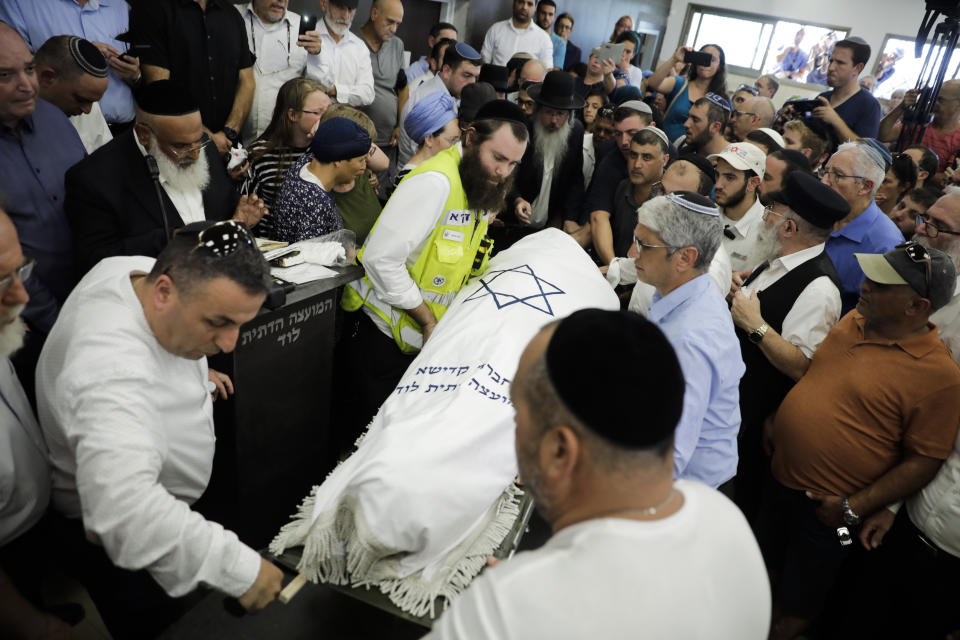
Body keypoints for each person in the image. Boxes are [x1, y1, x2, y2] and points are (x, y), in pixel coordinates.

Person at [425, 309, 771, 640]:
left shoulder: (503, 609)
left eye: (517, 414)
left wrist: (513, 605)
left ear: (560, 451)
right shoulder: (726, 519)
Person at [37, 220, 283, 638]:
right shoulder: (108, 365)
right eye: (218, 322)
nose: (229, 344)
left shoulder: (135, 271)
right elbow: (124, 510)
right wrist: (236, 567)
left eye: (240, 323)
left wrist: (193, 378)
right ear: (164, 291)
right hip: (122, 544)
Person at [760, 241, 960, 640]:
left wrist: (853, 509)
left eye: (883, 285)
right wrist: (781, 419)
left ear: (917, 307)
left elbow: (924, 460)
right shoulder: (854, 320)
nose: (865, 285)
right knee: (762, 572)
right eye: (871, 275)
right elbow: (825, 377)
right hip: (780, 482)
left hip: (829, 515)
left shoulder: (940, 377)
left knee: (800, 601)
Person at [339, 100, 528, 432]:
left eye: (513, 163)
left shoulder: (480, 186)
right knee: (359, 444)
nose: (503, 172)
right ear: (470, 138)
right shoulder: (434, 183)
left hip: (422, 347)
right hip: (380, 340)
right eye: (498, 158)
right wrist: (427, 320)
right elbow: (380, 259)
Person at [853, 192, 960, 639]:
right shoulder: (901, 276)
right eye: (922, 218)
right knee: (863, 599)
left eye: (936, 226)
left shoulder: (950, 317)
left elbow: (937, 433)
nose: (921, 230)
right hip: (900, 503)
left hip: (942, 537)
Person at [729, 172, 846, 522]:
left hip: (752, 422)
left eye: (771, 210)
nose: (764, 216)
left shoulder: (820, 288)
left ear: (789, 228)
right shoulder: (778, 257)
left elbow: (803, 368)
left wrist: (755, 326)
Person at [65, 80, 266, 276]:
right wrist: (175, 239)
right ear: (144, 135)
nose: (195, 155)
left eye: (198, 142)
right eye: (180, 146)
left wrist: (237, 221)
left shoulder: (204, 147)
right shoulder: (95, 179)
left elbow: (220, 212)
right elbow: (95, 262)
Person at [629, 192, 744, 489]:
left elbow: (668, 456)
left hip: (686, 494)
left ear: (685, 257)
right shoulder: (687, 290)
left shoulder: (690, 340)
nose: (632, 253)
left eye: (644, 245)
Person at [0, 209, 75, 640]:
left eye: (20, 271)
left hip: (30, 520)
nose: (22, 296)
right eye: (0, 281)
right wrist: (31, 624)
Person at [0, 22, 86, 337]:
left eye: (29, 68)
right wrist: (56, 324)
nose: (27, 85)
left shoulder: (54, 119)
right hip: (28, 326)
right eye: (5, 75)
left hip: (90, 297)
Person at [132, 0, 256, 155]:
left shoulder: (231, 14)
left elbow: (247, 82)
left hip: (228, 147)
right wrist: (207, 138)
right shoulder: (153, 11)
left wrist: (229, 132)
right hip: (180, 148)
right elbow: (160, 88)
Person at [0, 0, 141, 131]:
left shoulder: (120, 6)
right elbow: (11, 66)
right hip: (57, 129)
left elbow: (147, 65)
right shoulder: (19, 4)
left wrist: (136, 75)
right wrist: (73, 56)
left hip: (124, 129)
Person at [821, 141, 904, 312]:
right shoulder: (818, 211)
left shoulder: (885, 246)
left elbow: (872, 316)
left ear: (865, 186)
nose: (824, 181)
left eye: (837, 175)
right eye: (825, 171)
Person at [244, 77, 330, 236]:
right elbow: (247, 207)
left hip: (318, 243)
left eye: (329, 111)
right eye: (318, 113)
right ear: (293, 115)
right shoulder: (260, 153)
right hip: (273, 245)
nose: (325, 119)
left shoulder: (328, 149)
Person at [505, 70, 585, 240]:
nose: (554, 120)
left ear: (569, 115)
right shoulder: (523, 130)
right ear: (538, 110)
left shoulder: (575, 133)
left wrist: (568, 217)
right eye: (549, 112)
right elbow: (505, 174)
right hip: (512, 224)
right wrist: (517, 199)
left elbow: (575, 179)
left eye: (560, 114)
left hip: (548, 229)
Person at [235, 0, 324, 144]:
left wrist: (316, 56)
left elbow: (318, 86)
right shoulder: (232, 17)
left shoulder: (300, 27)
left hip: (283, 143)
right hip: (232, 137)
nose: (282, 1)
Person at [271, 116, 371, 243]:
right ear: (338, 160)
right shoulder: (316, 203)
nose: (364, 167)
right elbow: (312, 256)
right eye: (360, 160)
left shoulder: (305, 162)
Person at [579, 101, 654, 245]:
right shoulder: (609, 157)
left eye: (632, 134)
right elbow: (598, 216)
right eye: (618, 134)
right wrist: (612, 264)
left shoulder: (672, 159)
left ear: (652, 128)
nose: (624, 142)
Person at [397, 42, 482, 166]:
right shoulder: (430, 99)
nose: (472, 83)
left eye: (476, 77)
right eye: (467, 75)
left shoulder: (445, 93)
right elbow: (425, 153)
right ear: (447, 71)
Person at [598, 128, 669, 263]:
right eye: (633, 155)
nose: (637, 164)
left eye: (647, 157)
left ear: (664, 160)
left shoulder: (671, 199)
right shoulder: (621, 188)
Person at [35, 35, 112, 154]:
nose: (87, 110)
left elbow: (106, 158)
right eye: (81, 100)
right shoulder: (11, 116)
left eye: (93, 101)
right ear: (47, 78)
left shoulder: (88, 105)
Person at [358, 0, 406, 171]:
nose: (394, 29)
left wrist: (400, 125)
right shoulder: (352, 42)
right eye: (390, 21)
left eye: (397, 24)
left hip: (389, 140)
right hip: (358, 139)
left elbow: (402, 87)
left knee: (382, 192)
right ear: (374, 14)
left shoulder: (397, 45)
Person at [646, 44, 728, 143]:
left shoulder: (721, 100)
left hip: (694, 154)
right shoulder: (679, 84)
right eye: (703, 57)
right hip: (664, 146)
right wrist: (675, 59)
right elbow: (652, 83)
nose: (706, 63)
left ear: (720, 66)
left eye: (713, 59)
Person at [302, 0, 374, 109]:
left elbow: (368, 94)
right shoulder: (307, 38)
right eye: (340, 7)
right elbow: (304, 85)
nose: (345, 16)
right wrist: (348, 93)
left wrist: (334, 90)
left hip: (346, 120)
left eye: (350, 9)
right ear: (323, 4)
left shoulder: (360, 47)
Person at [808, 38, 882, 142]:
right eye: (831, 61)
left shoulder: (869, 105)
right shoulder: (823, 98)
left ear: (857, 68)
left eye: (840, 63)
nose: (831, 68)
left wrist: (836, 121)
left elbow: (866, 150)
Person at [881, 80, 960, 178]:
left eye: (941, 100)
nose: (934, 103)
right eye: (934, 98)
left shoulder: (958, 139)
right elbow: (883, 135)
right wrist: (902, 107)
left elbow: (947, 177)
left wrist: (910, 171)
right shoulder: (919, 123)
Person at [710, 142, 767, 272]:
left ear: (752, 183)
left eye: (729, 177)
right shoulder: (703, 214)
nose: (718, 185)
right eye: (717, 174)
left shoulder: (766, 231)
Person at [396, 91, 460, 186]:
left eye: (458, 140)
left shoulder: (431, 172)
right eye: (452, 141)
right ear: (429, 139)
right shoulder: (412, 179)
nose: (456, 148)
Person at [481, 0, 552, 69]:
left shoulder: (544, 38)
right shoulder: (495, 29)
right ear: (514, 3)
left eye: (529, 4)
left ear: (535, 8)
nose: (524, 7)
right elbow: (484, 62)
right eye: (521, 2)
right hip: (496, 79)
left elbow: (547, 70)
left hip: (527, 81)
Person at [679, 93, 729, 157]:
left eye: (695, 120)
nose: (686, 124)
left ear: (715, 127)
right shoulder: (682, 143)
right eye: (688, 117)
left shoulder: (733, 161)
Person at [582, 102, 616, 187]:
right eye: (598, 129)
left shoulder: (619, 153)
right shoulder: (580, 144)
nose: (601, 134)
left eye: (608, 132)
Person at [533, 0, 564, 70]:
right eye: (543, 13)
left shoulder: (560, 43)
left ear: (554, 17)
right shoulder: (527, 34)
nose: (546, 18)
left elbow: (555, 72)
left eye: (550, 14)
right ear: (536, 13)